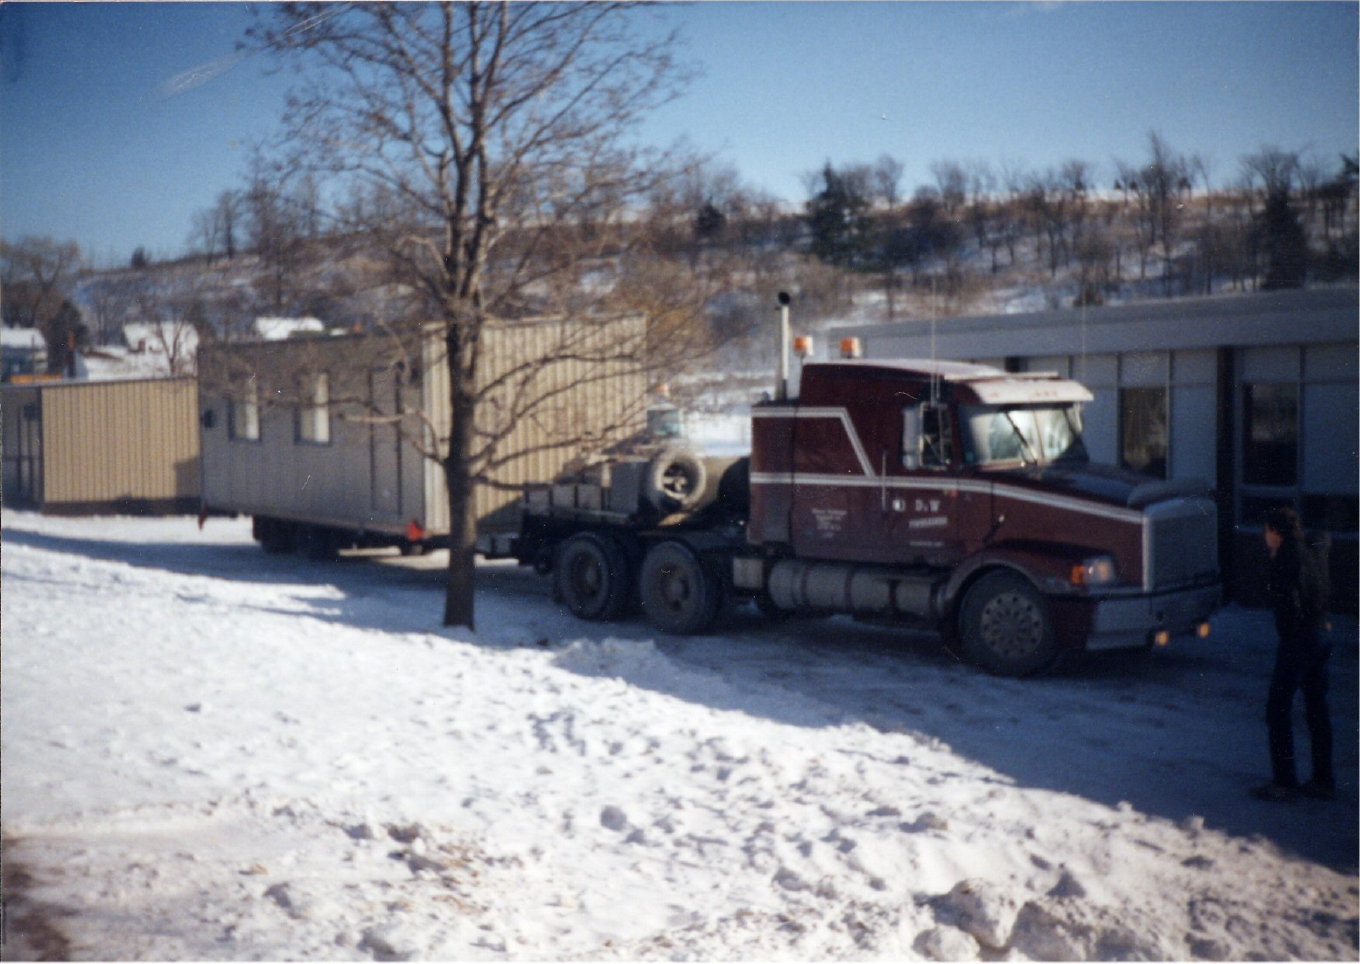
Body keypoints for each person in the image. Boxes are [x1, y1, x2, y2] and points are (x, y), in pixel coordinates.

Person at [1252, 506, 1334, 802]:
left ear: (1275, 533)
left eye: (1266, 532)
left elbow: (1288, 605)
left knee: (1278, 709)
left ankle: (1284, 782)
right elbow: (1323, 539)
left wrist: (1288, 635)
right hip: (1323, 632)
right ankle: (1324, 780)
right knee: (1316, 708)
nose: (1265, 537)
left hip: (1299, 639)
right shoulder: (1312, 548)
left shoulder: (1285, 559)